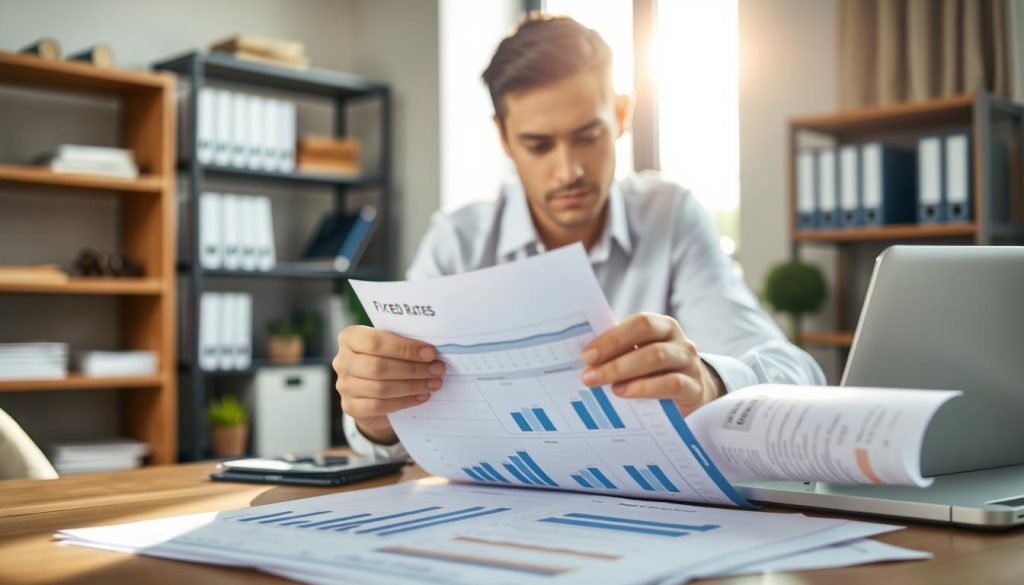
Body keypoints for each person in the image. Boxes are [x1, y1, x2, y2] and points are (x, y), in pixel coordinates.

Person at [334, 14, 825, 459]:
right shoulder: (458, 240)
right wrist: (377, 418)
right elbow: (396, 424)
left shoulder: (670, 217)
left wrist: (709, 381)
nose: (568, 170)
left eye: (588, 136)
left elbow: (798, 376)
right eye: (538, 145)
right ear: (504, 137)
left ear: (622, 115)